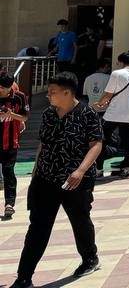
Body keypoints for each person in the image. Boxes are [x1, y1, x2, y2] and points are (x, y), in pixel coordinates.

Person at [10, 73, 102, 287]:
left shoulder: (87, 114)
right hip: (46, 178)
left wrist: (80, 171)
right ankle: (24, 277)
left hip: (75, 181)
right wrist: (35, 172)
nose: (48, 95)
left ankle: (90, 258)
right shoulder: (48, 114)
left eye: (52, 92)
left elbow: (96, 145)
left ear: (67, 93)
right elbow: (43, 143)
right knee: (38, 227)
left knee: (80, 221)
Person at [93, 52, 129, 177]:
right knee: (128, 141)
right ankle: (127, 168)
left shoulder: (116, 74)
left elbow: (108, 94)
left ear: (120, 61)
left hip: (113, 113)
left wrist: (99, 104)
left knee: (101, 139)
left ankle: (99, 169)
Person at [0, 75, 30, 219]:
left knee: (8, 171)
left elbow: (24, 117)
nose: (0, 90)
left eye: (3, 88)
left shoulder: (19, 97)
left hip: (10, 141)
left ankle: (9, 204)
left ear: (11, 86)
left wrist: (11, 114)